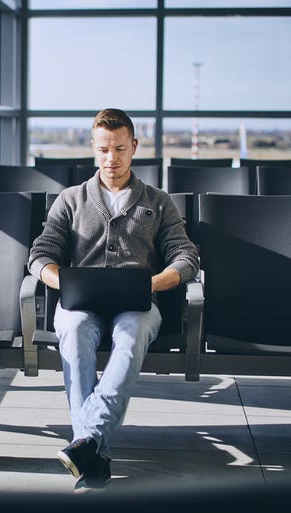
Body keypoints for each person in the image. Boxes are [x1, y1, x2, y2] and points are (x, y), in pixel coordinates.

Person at [27, 108, 199, 491]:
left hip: (138, 304)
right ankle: (93, 450)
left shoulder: (158, 201)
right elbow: (39, 255)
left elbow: (187, 258)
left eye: (120, 149)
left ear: (134, 147)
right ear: (93, 148)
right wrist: (63, 281)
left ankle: (85, 440)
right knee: (73, 329)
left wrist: (151, 284)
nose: (112, 158)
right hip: (79, 304)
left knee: (132, 334)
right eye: (104, 149)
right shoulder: (70, 200)